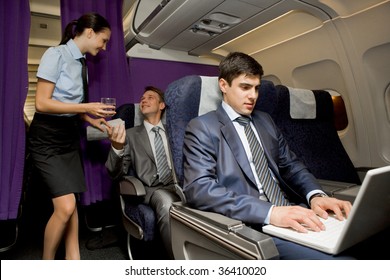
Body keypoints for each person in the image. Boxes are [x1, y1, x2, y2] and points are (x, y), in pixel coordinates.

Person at [182, 52, 355, 260]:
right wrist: (270, 212)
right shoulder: (202, 127)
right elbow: (199, 189)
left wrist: (316, 195)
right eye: (245, 87)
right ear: (224, 85)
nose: (253, 95)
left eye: (256, 88)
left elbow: (291, 165)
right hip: (254, 224)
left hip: (292, 209)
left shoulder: (265, 120)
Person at [28, 13, 114, 260]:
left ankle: (72, 259)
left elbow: (68, 106)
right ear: (89, 32)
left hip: (68, 137)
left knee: (71, 203)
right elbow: (42, 103)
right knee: (65, 207)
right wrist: (86, 108)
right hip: (46, 137)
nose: (104, 46)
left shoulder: (80, 63)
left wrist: (90, 119)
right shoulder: (56, 55)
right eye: (103, 40)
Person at [105, 86, 181, 259]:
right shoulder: (130, 135)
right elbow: (115, 173)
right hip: (153, 190)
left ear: (162, 105)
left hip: (179, 185)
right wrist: (117, 147)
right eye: (142, 98)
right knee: (165, 200)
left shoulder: (174, 132)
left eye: (150, 97)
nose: (144, 100)